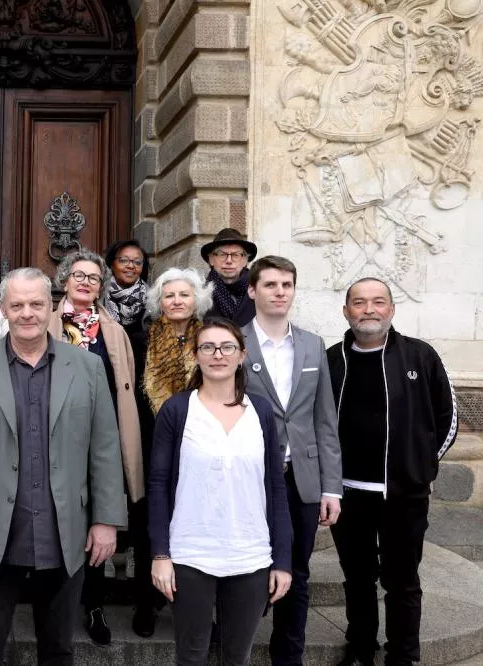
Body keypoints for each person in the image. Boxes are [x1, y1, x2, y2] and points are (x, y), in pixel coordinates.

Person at [0, 267, 127, 666]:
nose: (27, 313)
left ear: (50, 306)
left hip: (64, 531)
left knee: (58, 651)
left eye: (36, 304)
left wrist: (106, 519)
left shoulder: (87, 368)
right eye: (17, 305)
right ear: (2, 309)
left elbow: (105, 449)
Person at [327, 278, 458, 666]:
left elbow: (448, 419)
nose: (369, 309)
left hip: (404, 494)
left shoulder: (420, 356)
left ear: (391, 309)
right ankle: (361, 648)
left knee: (402, 581)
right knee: (358, 578)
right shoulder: (333, 359)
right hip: (348, 492)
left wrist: (420, 470)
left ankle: (402, 654)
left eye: (378, 302)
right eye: (359, 302)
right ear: (346, 310)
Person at [149, 316, 293, 666]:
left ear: (241, 354)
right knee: (192, 655)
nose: (218, 354)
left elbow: (275, 485)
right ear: (196, 355)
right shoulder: (178, 409)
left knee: (237, 657)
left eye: (227, 346)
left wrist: (283, 561)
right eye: (208, 347)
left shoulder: (259, 409)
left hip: (250, 555)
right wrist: (160, 555)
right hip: (190, 554)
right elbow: (157, 485)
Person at [240, 255, 343, 665]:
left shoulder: (313, 344)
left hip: (301, 477)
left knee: (297, 572)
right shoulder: (234, 342)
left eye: (286, 285)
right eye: (270, 285)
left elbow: (325, 420)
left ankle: (289, 655)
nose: (279, 292)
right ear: (253, 291)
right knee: (248, 569)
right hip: (251, 476)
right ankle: (237, 646)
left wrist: (330, 486)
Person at [48, 249, 152, 644]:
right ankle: (57, 603)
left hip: (103, 440)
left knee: (98, 522)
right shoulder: (46, 324)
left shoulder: (115, 332)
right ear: (65, 280)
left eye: (94, 277)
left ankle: (94, 605)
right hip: (58, 439)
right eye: (79, 275)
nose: (86, 282)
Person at [143, 268, 213, 416]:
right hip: (154, 427)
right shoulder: (141, 341)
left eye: (184, 295)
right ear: (160, 303)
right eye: (169, 296)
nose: (177, 301)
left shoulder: (211, 339)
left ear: (196, 300)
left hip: (203, 421)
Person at [102, 239, 150, 378]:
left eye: (137, 262)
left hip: (140, 374)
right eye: (123, 260)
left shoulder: (153, 300)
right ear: (112, 263)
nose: (131, 266)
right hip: (106, 371)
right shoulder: (98, 297)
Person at [201, 228, 257, 327]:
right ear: (211, 260)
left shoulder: (258, 291)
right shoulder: (200, 294)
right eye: (222, 254)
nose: (229, 261)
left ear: (245, 260)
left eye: (235, 255)